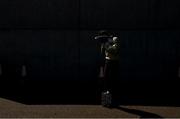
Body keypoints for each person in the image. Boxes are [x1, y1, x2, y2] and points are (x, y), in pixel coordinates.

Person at [95, 31, 120, 107]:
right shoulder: (105, 42)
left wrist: (106, 45)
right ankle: (107, 100)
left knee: (113, 80)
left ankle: (114, 100)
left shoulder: (114, 39)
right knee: (105, 79)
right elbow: (103, 53)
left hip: (114, 62)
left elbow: (115, 50)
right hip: (107, 61)